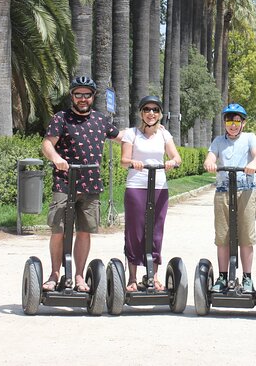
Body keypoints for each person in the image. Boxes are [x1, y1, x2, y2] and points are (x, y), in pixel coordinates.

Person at [41, 76, 124, 292]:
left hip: (90, 184)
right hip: (64, 183)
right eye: (78, 94)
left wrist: (152, 130)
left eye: (87, 94)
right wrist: (57, 159)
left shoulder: (100, 120)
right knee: (58, 230)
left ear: (93, 96)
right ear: (72, 96)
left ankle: (79, 275)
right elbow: (47, 144)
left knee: (85, 231)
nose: (83, 98)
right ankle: (54, 273)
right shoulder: (61, 118)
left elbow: (122, 137)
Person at [121, 96, 181, 292]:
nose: (151, 113)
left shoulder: (164, 134)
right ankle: (132, 278)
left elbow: (176, 157)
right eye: (147, 109)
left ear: (160, 114)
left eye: (155, 109)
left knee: (155, 231)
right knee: (135, 231)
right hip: (136, 186)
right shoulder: (131, 134)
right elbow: (123, 160)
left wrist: (172, 162)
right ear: (141, 113)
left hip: (159, 187)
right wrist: (133, 162)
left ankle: (153, 277)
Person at [204, 103, 256, 293]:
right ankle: (222, 277)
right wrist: (210, 163)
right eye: (229, 120)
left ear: (243, 123)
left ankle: (247, 278)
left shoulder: (249, 138)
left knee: (246, 236)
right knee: (222, 237)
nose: (233, 124)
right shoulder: (218, 141)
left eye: (237, 120)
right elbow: (210, 157)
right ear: (225, 122)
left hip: (245, 191)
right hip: (223, 192)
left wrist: (253, 163)